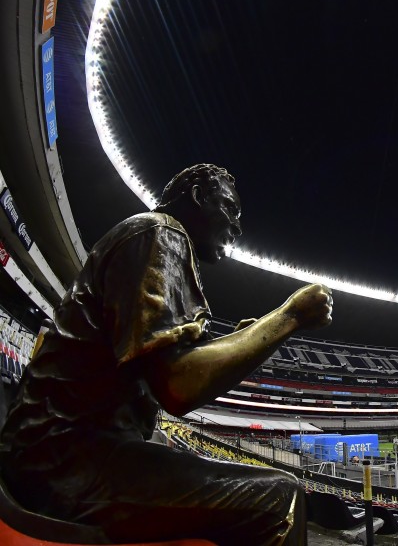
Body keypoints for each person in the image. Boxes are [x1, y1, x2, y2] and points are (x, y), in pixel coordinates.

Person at [0, 164, 333, 546]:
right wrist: (289, 316)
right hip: (64, 462)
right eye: (229, 209)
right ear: (196, 198)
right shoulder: (161, 233)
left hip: (57, 453)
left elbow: (168, 366)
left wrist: (247, 340)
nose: (237, 227)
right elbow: (179, 387)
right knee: (280, 500)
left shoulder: (148, 237)